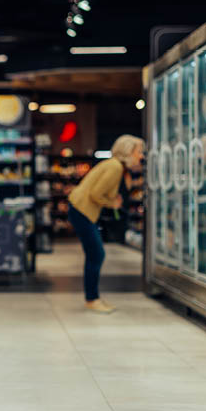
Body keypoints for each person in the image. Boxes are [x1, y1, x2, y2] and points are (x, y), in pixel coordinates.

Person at [68, 134, 145, 313]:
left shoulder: (115, 166)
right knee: (97, 254)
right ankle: (92, 298)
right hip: (82, 211)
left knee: (95, 254)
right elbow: (95, 194)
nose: (140, 156)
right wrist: (113, 203)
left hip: (81, 211)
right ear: (128, 151)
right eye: (138, 151)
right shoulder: (115, 167)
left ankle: (92, 297)